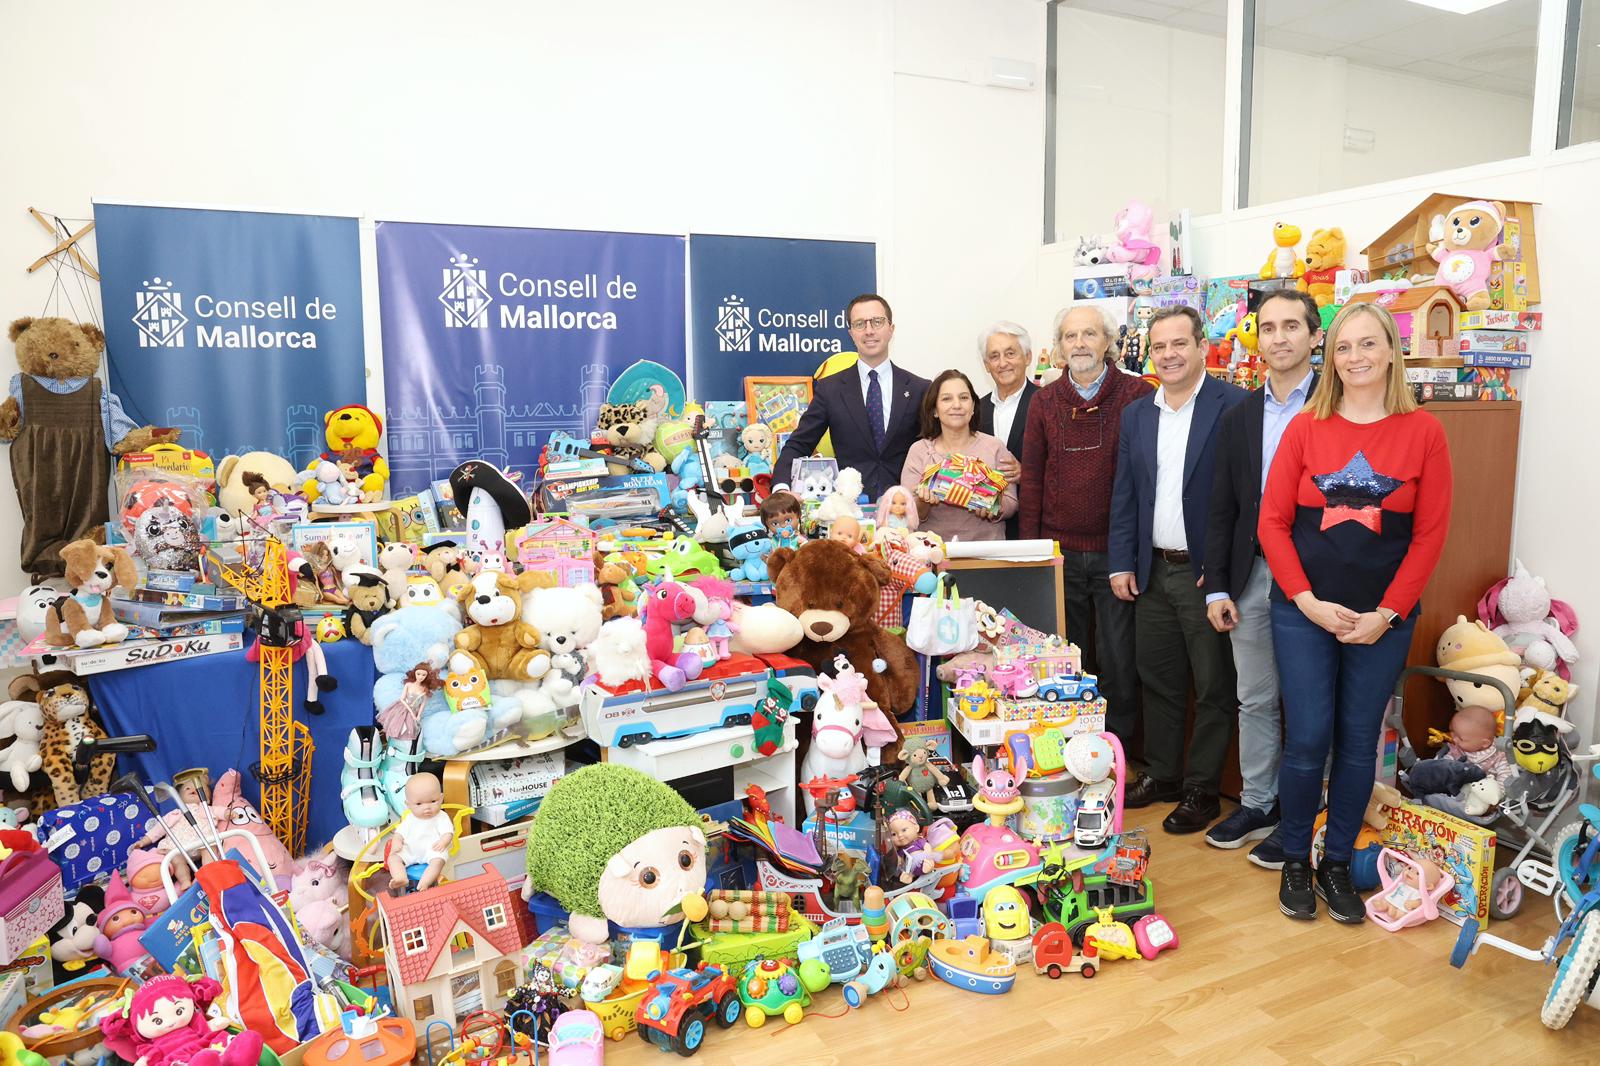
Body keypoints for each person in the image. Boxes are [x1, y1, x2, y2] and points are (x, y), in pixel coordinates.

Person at [1260, 302, 1451, 924]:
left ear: (1392, 351)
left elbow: (1429, 536)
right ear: (1330, 356)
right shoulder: (1305, 429)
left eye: (1368, 344)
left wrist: (1388, 613)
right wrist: (1308, 602)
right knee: (1307, 737)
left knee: (1358, 740)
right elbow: (1272, 523)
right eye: (1343, 346)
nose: (1356, 357)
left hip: (1382, 620)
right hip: (1303, 612)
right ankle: (1295, 860)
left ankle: (1337, 863)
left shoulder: (1424, 432)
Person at [1109, 306, 1246, 834]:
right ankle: (1164, 774)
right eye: (1160, 346)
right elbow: (1126, 493)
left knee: (1212, 686)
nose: (1168, 355)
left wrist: (1224, 573)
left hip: (1205, 575)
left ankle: (1202, 789)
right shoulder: (1138, 415)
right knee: (1158, 679)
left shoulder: (1234, 406)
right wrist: (1121, 561)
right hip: (1153, 570)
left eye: (1179, 343)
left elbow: (1242, 500)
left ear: (1201, 346)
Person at [1200, 291, 1321, 867]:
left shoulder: (1337, 405)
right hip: (1252, 572)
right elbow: (1222, 506)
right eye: (1268, 328)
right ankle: (1258, 803)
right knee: (1255, 698)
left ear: (1314, 336)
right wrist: (1218, 586)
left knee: (1311, 703)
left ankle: (1307, 814)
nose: (1279, 338)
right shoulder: (1241, 415)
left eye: (1291, 326)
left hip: (1317, 578)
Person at [1020, 304, 1152, 744]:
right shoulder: (1044, 401)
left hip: (1116, 554)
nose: (1079, 344)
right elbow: (1032, 480)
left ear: (1108, 342)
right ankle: (1070, 746)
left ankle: (1117, 751)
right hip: (1059, 554)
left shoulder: (1136, 395)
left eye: (1089, 334)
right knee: (1065, 660)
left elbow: (1144, 479)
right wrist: (1033, 555)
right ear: (1059, 347)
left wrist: (1132, 552)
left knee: (1119, 658)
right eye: (1070, 336)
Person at [776, 294, 930, 501]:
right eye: (859, 324)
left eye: (877, 322)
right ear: (851, 333)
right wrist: (781, 489)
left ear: (891, 329)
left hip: (905, 507)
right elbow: (799, 444)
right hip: (849, 510)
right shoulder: (830, 389)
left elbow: (936, 447)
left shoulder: (920, 389)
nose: (869, 330)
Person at [900, 370, 1017, 542]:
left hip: (986, 551)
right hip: (933, 551)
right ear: (935, 410)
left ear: (973, 407)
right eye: (947, 399)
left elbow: (1011, 501)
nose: (957, 405)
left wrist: (995, 507)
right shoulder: (919, 451)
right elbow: (905, 511)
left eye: (963, 398)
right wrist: (923, 502)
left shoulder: (994, 447)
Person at [975, 322, 1036, 538]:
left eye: (1010, 353)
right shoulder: (975, 410)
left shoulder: (1047, 404)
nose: (1002, 363)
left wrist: (1028, 474)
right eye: (994, 356)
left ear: (1027, 357)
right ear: (986, 365)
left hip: (1032, 527)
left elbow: (1064, 468)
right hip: (985, 530)